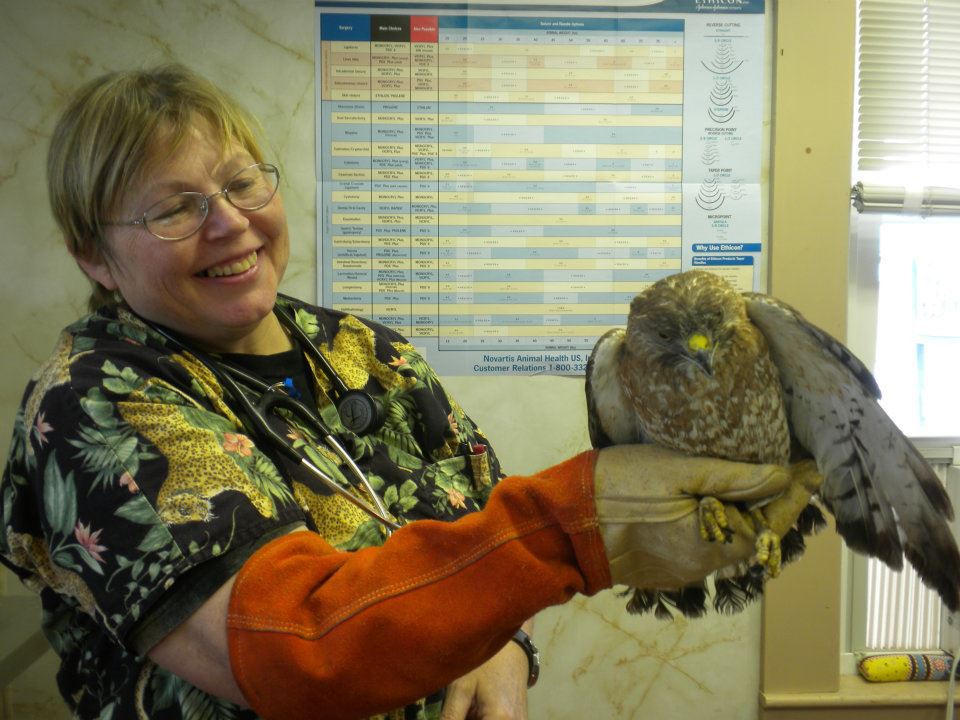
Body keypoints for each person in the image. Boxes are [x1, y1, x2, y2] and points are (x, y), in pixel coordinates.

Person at [0, 64, 820, 720]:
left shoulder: (365, 352)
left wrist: (501, 645)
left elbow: (480, 532)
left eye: (242, 183)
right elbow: (294, 645)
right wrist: (579, 523)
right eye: (176, 210)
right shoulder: (92, 407)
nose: (229, 223)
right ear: (93, 257)